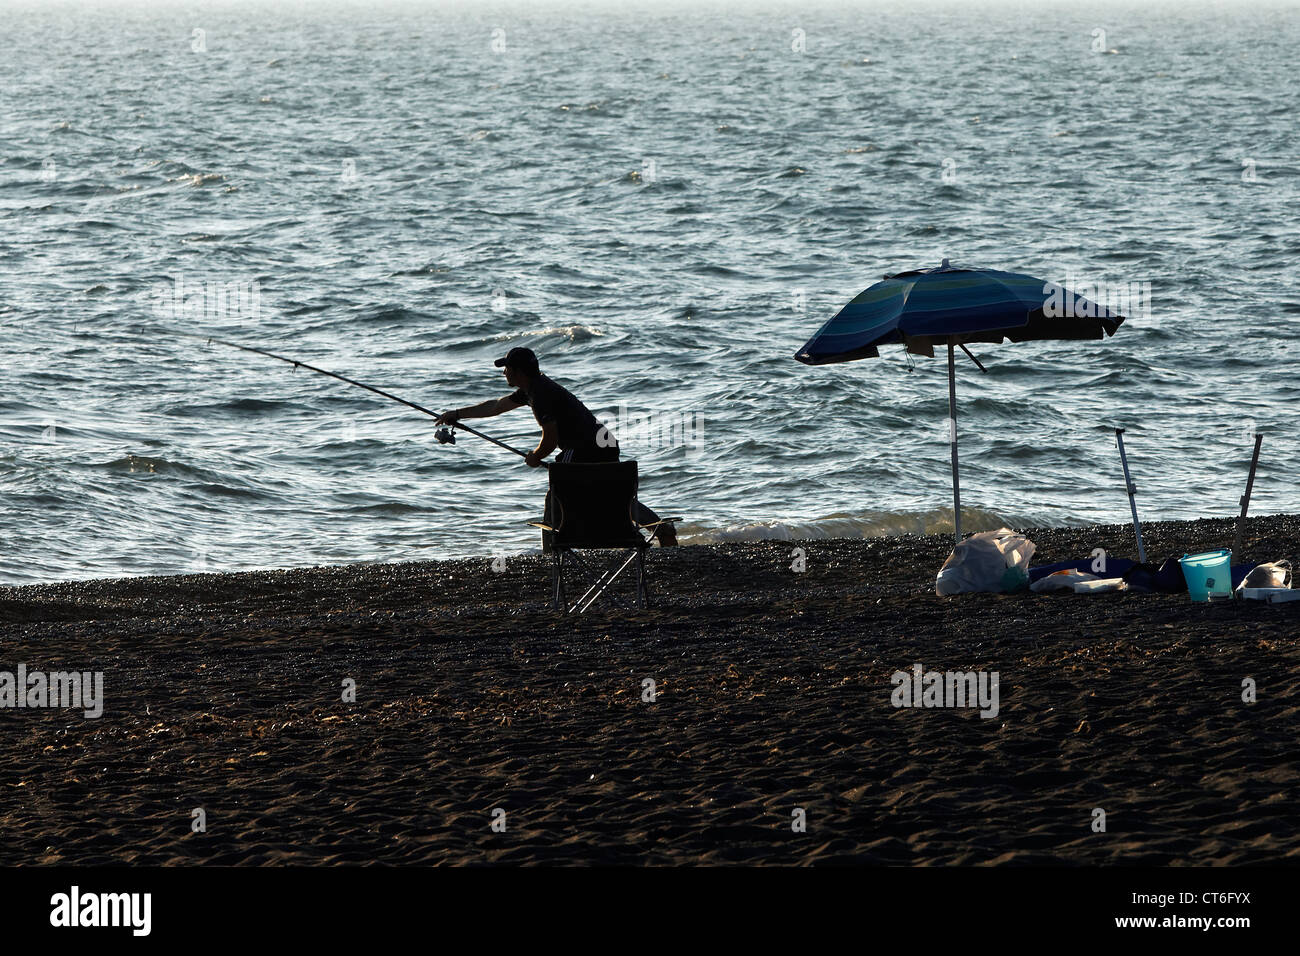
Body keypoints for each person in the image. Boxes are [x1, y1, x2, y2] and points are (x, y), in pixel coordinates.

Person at [435, 347, 676, 546]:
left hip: (586, 447)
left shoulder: (540, 395)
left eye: (507, 368)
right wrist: (457, 414)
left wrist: (535, 456)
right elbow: (496, 406)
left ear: (519, 372)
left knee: (558, 494)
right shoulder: (533, 389)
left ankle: (552, 551)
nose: (504, 373)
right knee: (607, 494)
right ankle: (660, 527)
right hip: (603, 444)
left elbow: (550, 439)